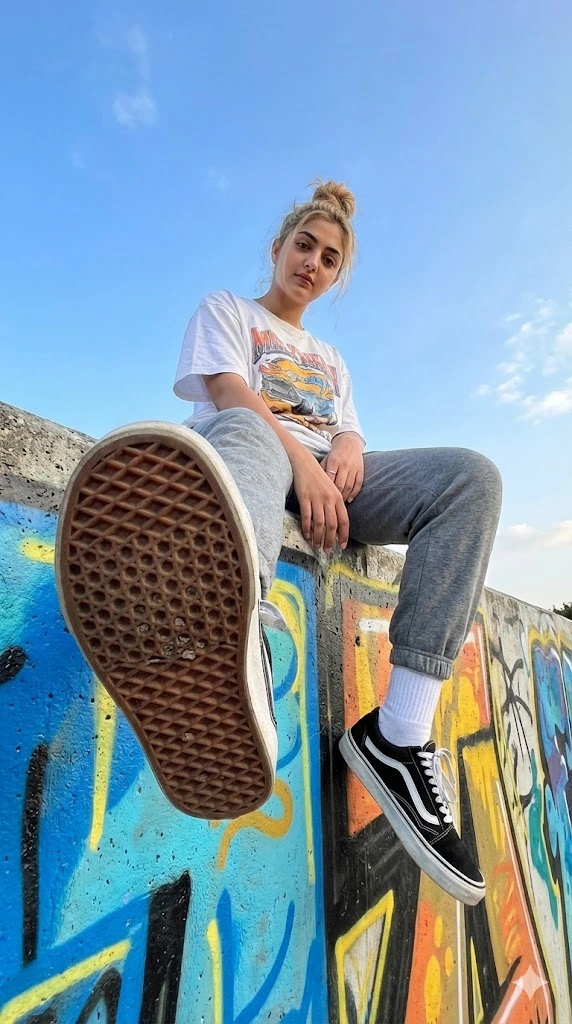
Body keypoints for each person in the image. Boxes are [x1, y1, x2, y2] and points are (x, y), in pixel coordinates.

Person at [56, 180, 502, 906]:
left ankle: (400, 734)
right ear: (277, 247)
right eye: (304, 246)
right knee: (244, 433)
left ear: (335, 275)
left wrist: (349, 448)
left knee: (470, 480)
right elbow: (231, 393)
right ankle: (244, 643)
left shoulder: (331, 357)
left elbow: (346, 423)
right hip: (254, 464)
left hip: (329, 477)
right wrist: (307, 465)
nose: (313, 263)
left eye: (330, 258)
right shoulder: (227, 310)